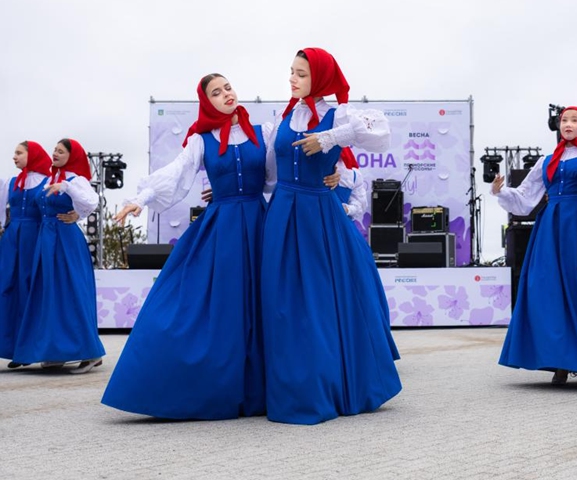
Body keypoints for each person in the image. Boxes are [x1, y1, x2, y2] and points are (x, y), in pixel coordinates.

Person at [102, 74, 334, 419]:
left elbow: (276, 176)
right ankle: (203, 385)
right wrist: (141, 198)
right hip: (223, 228)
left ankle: (268, 389)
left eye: (227, 87)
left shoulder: (263, 132)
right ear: (206, 101)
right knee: (219, 305)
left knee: (266, 304)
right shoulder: (201, 139)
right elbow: (176, 173)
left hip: (261, 224)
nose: (225, 94)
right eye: (216, 92)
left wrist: (337, 174)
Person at [260, 47, 401, 424]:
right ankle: (288, 381)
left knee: (320, 301)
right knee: (283, 300)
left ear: (319, 78)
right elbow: (270, 173)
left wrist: (326, 139)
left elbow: (381, 132)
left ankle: (326, 382)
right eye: (291, 71)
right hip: (282, 213)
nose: (293, 79)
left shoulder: (339, 114)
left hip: (318, 214)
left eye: (302, 74)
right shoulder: (283, 115)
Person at [495, 107, 577, 384]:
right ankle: (558, 360)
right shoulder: (547, 161)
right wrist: (500, 191)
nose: (568, 124)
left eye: (575, 120)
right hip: (551, 227)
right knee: (548, 289)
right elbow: (526, 198)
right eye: (564, 120)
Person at [12, 139, 105, 374]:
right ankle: (55, 351)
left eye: (61, 151)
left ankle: (91, 353)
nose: (55, 153)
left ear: (72, 156)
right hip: (47, 238)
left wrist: (73, 203)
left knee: (71, 291)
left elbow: (92, 201)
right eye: (54, 150)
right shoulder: (49, 178)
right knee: (49, 294)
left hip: (65, 240)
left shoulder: (75, 180)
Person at [0, 141, 52, 367]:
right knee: (7, 287)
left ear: (32, 156)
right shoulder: (10, 183)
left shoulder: (47, 182)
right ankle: (11, 348)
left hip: (35, 237)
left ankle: (28, 349)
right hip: (12, 238)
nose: (14, 157)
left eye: (19, 153)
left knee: (29, 288)